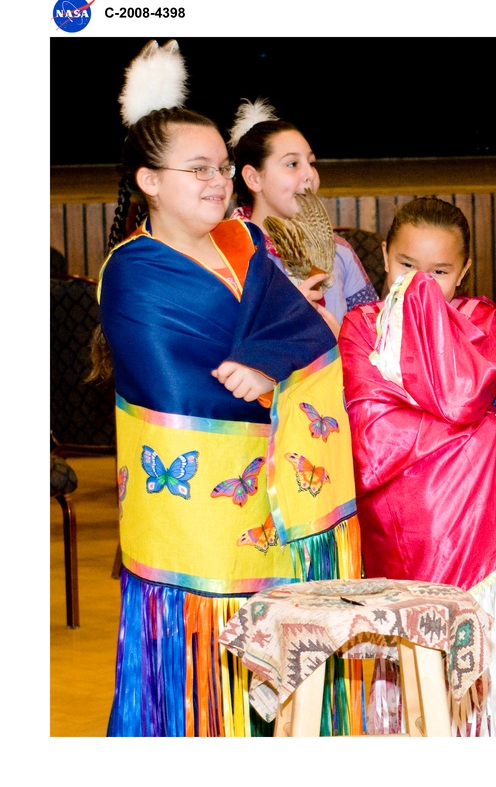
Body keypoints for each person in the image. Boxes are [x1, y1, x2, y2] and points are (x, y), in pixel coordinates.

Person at [94, 41, 362, 736]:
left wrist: (270, 357)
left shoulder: (245, 239)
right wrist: (274, 353)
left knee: (274, 697)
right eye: (199, 169)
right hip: (197, 520)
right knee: (204, 693)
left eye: (221, 167)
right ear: (150, 181)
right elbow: (178, 392)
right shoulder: (133, 271)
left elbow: (307, 331)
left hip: (280, 512)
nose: (218, 181)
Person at [338, 196, 496, 735]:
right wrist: (467, 434)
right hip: (402, 523)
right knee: (410, 666)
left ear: (464, 272)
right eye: (407, 267)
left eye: (440, 272)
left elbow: (461, 395)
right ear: (382, 256)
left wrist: (458, 421)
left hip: (480, 523)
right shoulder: (360, 326)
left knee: (477, 675)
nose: (421, 286)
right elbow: (373, 437)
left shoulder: (477, 320)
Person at [229, 98, 379, 334]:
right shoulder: (225, 255)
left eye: (311, 162)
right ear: (253, 178)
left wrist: (343, 343)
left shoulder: (339, 251)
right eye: (292, 164)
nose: (309, 174)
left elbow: (374, 334)